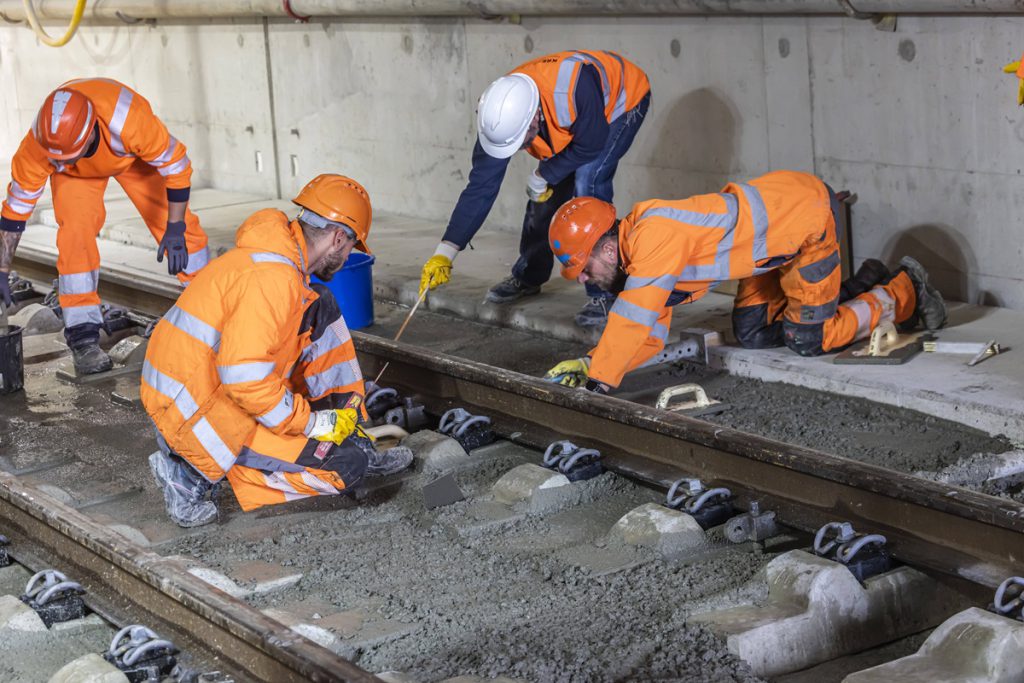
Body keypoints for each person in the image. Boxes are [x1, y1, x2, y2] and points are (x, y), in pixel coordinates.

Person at [142, 174, 413, 527]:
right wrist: (310, 423)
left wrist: (332, 422)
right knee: (345, 470)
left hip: (212, 389)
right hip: (195, 412)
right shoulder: (273, 280)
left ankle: (351, 435)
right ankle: (186, 472)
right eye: (351, 247)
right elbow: (244, 379)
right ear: (337, 239)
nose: (348, 257)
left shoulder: (280, 262)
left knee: (321, 307)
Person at [543, 170, 948, 392]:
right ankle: (865, 281)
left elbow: (633, 317)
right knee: (753, 333)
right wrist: (589, 363)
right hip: (769, 251)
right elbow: (647, 334)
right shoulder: (641, 256)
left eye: (582, 265)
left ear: (608, 250)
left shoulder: (653, 237)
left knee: (809, 339)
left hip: (805, 223)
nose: (581, 277)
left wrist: (600, 382)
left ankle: (906, 289)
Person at [418, 50, 651, 328]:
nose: (517, 150)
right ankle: (529, 274)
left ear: (535, 118)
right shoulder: (500, 116)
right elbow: (480, 188)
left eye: (520, 142)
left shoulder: (575, 88)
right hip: (572, 122)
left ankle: (604, 292)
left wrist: (545, 172)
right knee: (543, 197)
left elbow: (591, 144)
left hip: (621, 102)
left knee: (588, 183)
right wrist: (445, 252)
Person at [0, 78, 210, 373]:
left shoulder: (130, 120)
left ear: (88, 135)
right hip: (78, 178)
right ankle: (83, 337)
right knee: (75, 237)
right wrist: (2, 267)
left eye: (68, 156)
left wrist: (174, 227)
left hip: (131, 158)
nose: (59, 163)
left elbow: (176, 167)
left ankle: (213, 310)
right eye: (56, 160)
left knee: (180, 227)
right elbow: (15, 211)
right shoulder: (40, 146)